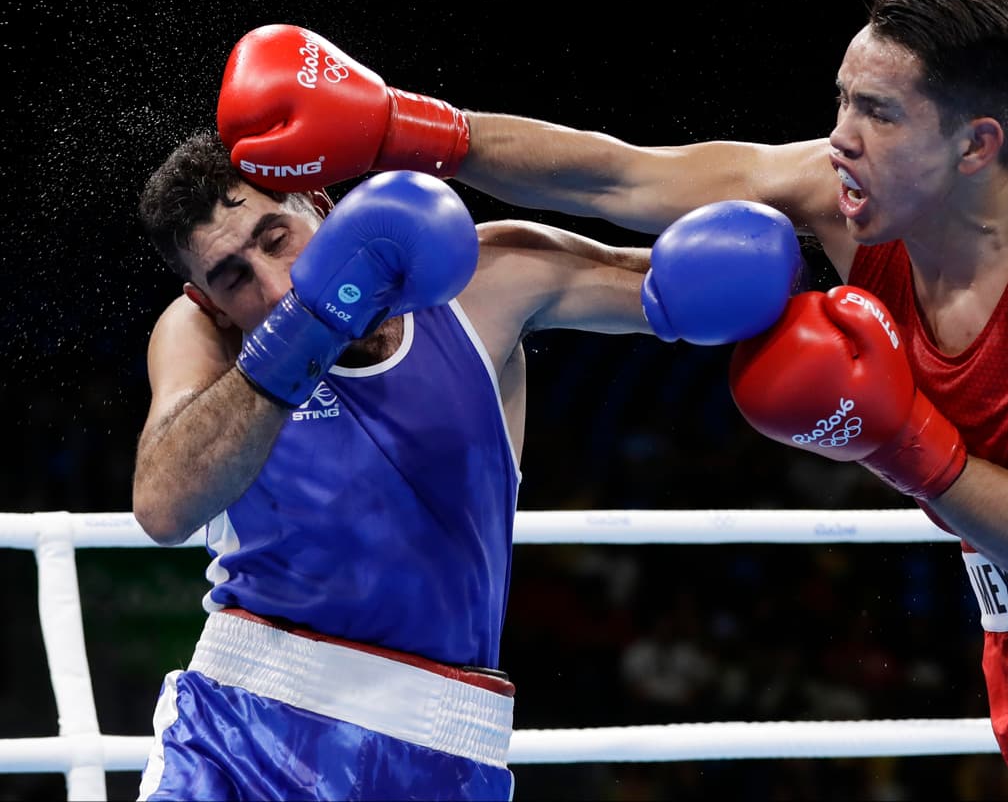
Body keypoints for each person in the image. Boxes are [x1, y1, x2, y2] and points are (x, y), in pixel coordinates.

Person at [213, 0, 1008, 800]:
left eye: (877, 113)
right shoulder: (840, 196)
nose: (840, 135)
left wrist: (889, 428)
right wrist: (407, 127)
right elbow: (622, 178)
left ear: (974, 144)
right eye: (839, 101)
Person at [131, 129, 804, 800]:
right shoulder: (203, 340)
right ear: (208, 300)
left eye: (277, 239)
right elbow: (163, 506)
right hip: (238, 727)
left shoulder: (481, 283)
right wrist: (312, 319)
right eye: (234, 278)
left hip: (441, 737)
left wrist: (818, 260)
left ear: (317, 199)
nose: (274, 284)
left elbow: (704, 278)